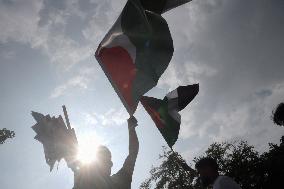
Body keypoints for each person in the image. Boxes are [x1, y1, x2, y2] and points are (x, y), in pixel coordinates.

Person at [67, 116, 139, 189]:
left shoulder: (119, 179)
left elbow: (133, 153)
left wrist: (131, 129)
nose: (108, 164)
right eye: (103, 160)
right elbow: (133, 154)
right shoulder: (84, 179)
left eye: (107, 161)